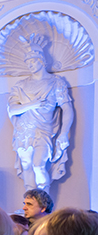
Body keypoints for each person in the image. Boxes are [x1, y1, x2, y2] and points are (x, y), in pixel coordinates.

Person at [8, 35, 74, 193]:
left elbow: (67, 108)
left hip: (44, 130)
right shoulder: (21, 85)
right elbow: (12, 109)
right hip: (24, 131)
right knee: (27, 166)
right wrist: (32, 104)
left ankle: (44, 202)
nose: (30, 64)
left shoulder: (56, 82)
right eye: (28, 62)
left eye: (33, 61)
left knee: (38, 165)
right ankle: (29, 201)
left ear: (42, 60)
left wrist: (64, 133)